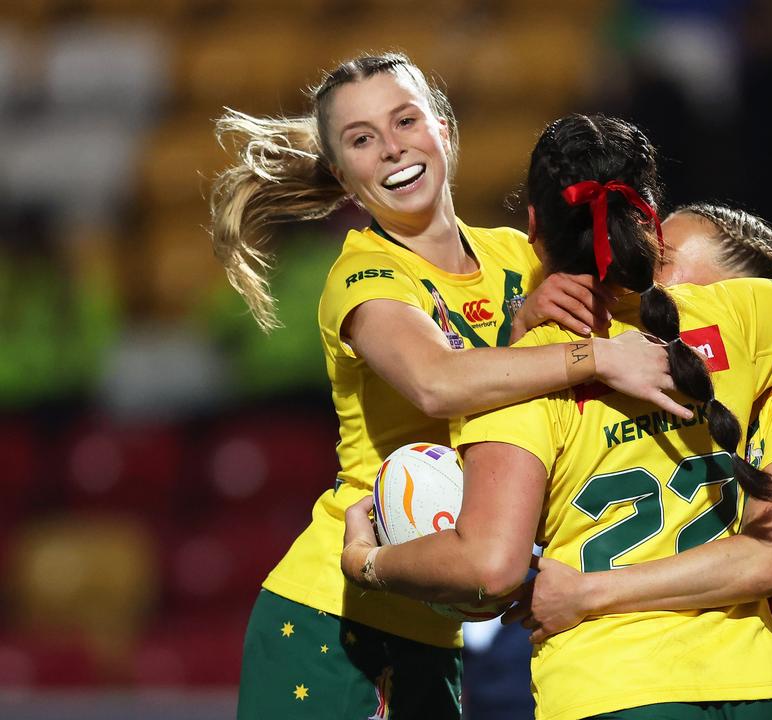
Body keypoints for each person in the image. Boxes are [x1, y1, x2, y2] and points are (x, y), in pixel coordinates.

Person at [339, 113, 772, 720]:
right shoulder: (741, 319)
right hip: (753, 681)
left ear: (534, 228)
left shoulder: (515, 377)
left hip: (612, 687)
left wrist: (368, 562)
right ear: (644, 220)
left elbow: (491, 566)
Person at [210, 54, 692, 720]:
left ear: (442, 129)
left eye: (404, 120)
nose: (391, 147)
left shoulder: (518, 256)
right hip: (332, 614)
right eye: (361, 139)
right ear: (344, 175)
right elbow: (437, 384)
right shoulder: (364, 276)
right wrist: (593, 357)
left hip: (439, 617)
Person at [500, 203, 772, 720]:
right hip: (726, 686)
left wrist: (584, 593)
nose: (644, 277)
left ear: (748, 296)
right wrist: (525, 332)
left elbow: (766, 560)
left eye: (663, 264)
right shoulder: (661, 400)